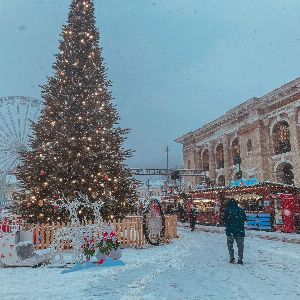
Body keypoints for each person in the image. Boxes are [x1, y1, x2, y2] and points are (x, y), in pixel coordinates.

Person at [222, 198, 247, 265]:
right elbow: (245, 219)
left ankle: (232, 257)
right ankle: (240, 259)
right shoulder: (241, 210)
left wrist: (228, 223)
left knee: (230, 245)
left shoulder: (227, 210)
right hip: (240, 231)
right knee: (240, 246)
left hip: (230, 231)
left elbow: (223, 220)